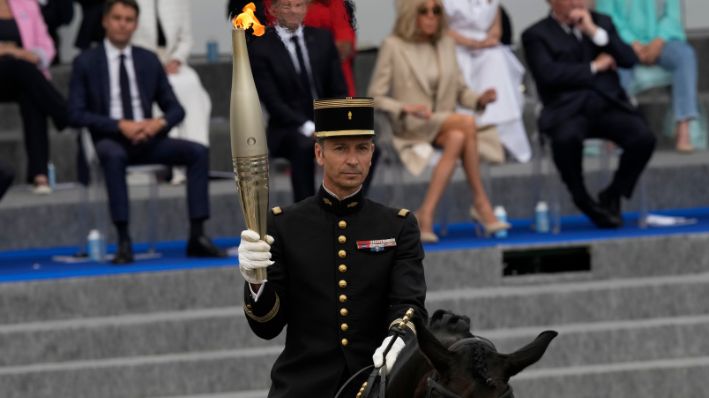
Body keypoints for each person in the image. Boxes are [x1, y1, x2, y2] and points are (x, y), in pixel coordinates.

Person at [237, 97, 427, 398]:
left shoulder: (397, 226)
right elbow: (267, 326)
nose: (353, 160)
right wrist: (255, 281)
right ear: (319, 153)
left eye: (361, 148)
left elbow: (408, 302)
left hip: (376, 379)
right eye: (341, 148)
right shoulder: (284, 226)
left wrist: (399, 337)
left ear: (372, 153)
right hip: (303, 384)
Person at [68, 0, 224, 264]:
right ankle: (124, 240)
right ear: (105, 21)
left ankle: (197, 235)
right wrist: (119, 125)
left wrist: (157, 124)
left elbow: (175, 109)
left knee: (197, 151)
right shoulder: (86, 62)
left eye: (129, 20)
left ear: (136, 25)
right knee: (114, 156)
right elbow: (75, 113)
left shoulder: (147, 59)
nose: (122, 24)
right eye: (117, 18)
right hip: (110, 139)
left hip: (148, 137)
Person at [367, 0, 509, 243]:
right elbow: (375, 97)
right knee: (465, 125)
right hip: (412, 124)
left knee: (459, 136)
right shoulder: (394, 46)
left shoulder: (446, 43)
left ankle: (426, 213)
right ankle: (480, 202)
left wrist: (480, 99)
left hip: (444, 124)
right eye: (424, 10)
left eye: (437, 10)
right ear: (411, 14)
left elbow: (461, 90)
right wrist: (404, 107)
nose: (431, 16)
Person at [522, 0, 656, 228]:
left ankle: (613, 193)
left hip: (607, 105)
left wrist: (595, 33)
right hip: (567, 109)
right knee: (566, 140)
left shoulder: (602, 23)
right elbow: (549, 75)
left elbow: (628, 59)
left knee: (643, 138)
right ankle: (582, 198)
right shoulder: (536, 34)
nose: (577, 2)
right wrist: (594, 67)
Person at [248, 0, 348, 203]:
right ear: (273, 10)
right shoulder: (261, 47)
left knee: (365, 145)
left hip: (326, 123)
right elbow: (273, 103)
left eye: (298, 5)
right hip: (287, 128)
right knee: (304, 146)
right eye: (286, 6)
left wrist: (332, 123)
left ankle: (345, 206)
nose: (293, 11)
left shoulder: (322, 39)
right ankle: (306, 214)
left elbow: (338, 89)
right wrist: (309, 126)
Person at [595, 0, 701, 153]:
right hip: (624, 42)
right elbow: (608, 16)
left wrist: (658, 41)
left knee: (685, 56)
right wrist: (632, 42)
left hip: (661, 42)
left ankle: (683, 128)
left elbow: (672, 16)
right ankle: (616, 130)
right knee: (616, 64)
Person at [132, 0, 212, 185]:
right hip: (142, 64)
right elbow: (126, 34)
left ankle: (197, 157)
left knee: (190, 85)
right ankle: (175, 164)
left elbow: (186, 38)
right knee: (162, 90)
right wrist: (152, 63)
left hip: (172, 63)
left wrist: (177, 59)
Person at [444, 0, 531, 162]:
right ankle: (469, 139)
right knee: (460, 66)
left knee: (497, 60)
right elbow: (443, 29)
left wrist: (488, 41)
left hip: (485, 48)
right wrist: (472, 43)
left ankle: (503, 139)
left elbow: (496, 30)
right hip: (456, 48)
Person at [0, 0, 68, 194]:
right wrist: (10, 52)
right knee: (18, 66)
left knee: (31, 95)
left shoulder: (27, 4)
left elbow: (46, 45)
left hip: (22, 76)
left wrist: (34, 55)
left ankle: (39, 174)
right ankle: (63, 112)